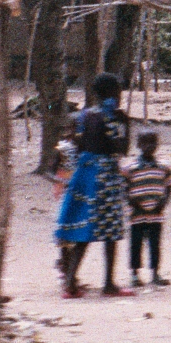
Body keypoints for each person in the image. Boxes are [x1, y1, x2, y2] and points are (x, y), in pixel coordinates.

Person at [53, 73, 133, 299]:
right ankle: (108, 284)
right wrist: (123, 124)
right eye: (118, 91)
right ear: (112, 92)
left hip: (85, 172)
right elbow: (121, 148)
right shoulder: (117, 117)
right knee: (110, 231)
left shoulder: (83, 115)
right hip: (105, 173)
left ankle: (69, 283)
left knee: (84, 230)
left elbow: (78, 145)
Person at [122, 130, 171, 289]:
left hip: (156, 214)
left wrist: (163, 203)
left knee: (155, 244)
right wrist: (132, 202)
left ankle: (155, 273)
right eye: (145, 143)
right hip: (136, 214)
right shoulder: (130, 168)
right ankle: (134, 274)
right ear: (138, 145)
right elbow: (123, 187)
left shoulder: (163, 167)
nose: (149, 147)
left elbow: (170, 185)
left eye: (152, 143)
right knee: (136, 244)